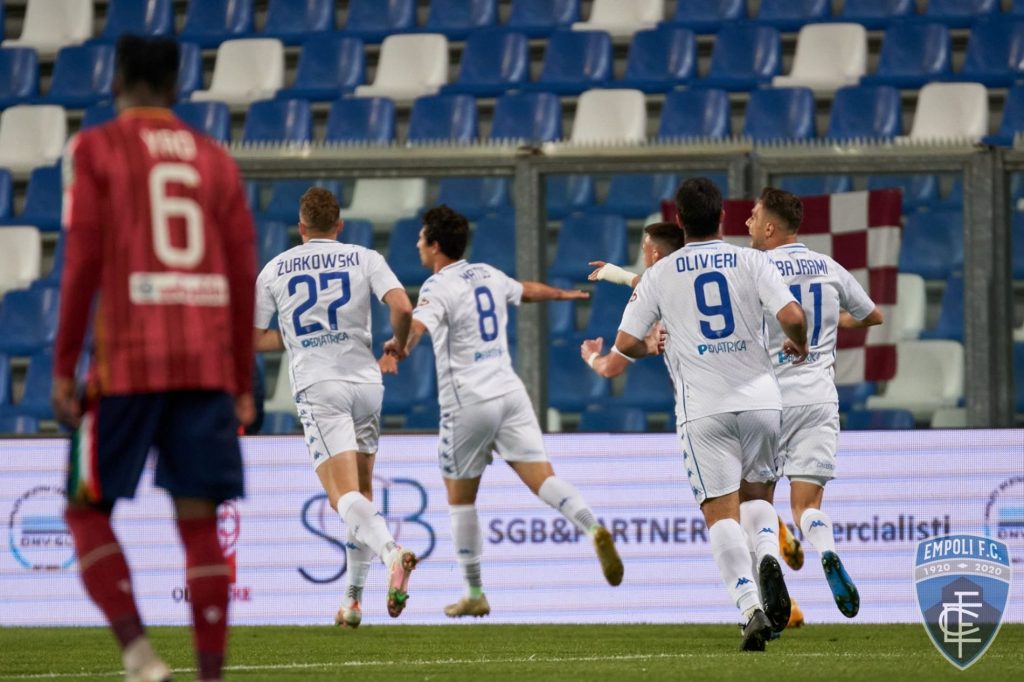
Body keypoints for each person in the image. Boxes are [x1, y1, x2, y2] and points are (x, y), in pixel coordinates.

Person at [52, 36, 257, 682]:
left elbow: (82, 259)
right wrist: (241, 378)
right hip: (205, 365)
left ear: (116, 83)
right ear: (176, 88)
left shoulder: (94, 148)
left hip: (127, 362)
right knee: (200, 525)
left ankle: (141, 658)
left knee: (85, 509)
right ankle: (210, 677)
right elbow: (243, 274)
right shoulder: (216, 159)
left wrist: (63, 365)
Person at [582, 178, 808, 651]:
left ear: (679, 220)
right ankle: (768, 555)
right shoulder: (752, 260)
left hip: (704, 409)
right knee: (758, 498)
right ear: (722, 216)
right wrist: (801, 345)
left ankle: (749, 609)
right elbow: (792, 316)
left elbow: (625, 343)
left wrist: (649, 346)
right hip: (762, 401)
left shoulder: (662, 274)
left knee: (720, 514)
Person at [390, 204, 624, 618]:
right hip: (510, 393)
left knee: (460, 499)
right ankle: (592, 526)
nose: (417, 244)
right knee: (543, 479)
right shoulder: (487, 273)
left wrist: (400, 347)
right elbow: (525, 290)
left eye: (422, 238)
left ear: (436, 245)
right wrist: (561, 294)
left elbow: (418, 325)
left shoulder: (436, 286)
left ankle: (474, 591)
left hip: (468, 401)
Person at [253, 187, 416, 629]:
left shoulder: (274, 269)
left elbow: (254, 339)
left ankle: (392, 554)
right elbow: (402, 306)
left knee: (342, 497)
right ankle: (352, 600)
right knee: (361, 495)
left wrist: (299, 337)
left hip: (320, 387)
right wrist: (399, 345)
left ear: (301, 227)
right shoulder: (364, 257)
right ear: (339, 225)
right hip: (366, 383)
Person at [746, 187, 883, 619]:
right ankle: (826, 550)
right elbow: (872, 315)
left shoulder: (755, 267)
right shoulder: (828, 266)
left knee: (757, 501)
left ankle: (770, 568)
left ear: (770, 228)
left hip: (769, 400)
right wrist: (830, 320)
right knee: (806, 506)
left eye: (754, 217)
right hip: (820, 398)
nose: (748, 223)